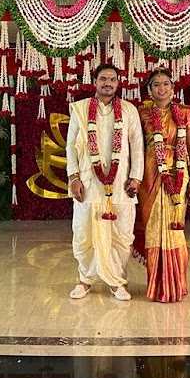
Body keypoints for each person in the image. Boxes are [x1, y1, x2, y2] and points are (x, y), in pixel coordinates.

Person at [66, 64, 144, 301]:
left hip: (121, 184)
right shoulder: (80, 109)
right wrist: (73, 177)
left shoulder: (129, 110)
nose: (108, 83)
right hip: (88, 183)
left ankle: (117, 282)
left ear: (118, 83)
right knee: (84, 233)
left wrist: (136, 177)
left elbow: (137, 145)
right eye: (103, 78)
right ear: (95, 82)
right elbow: (71, 146)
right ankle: (85, 280)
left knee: (122, 235)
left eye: (112, 79)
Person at [133, 68, 190, 303]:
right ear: (150, 91)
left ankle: (177, 283)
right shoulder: (142, 113)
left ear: (173, 88)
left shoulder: (185, 112)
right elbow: (135, 147)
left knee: (175, 228)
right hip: (151, 174)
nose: (162, 88)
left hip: (178, 174)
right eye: (156, 84)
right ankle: (156, 285)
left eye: (166, 84)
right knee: (153, 228)